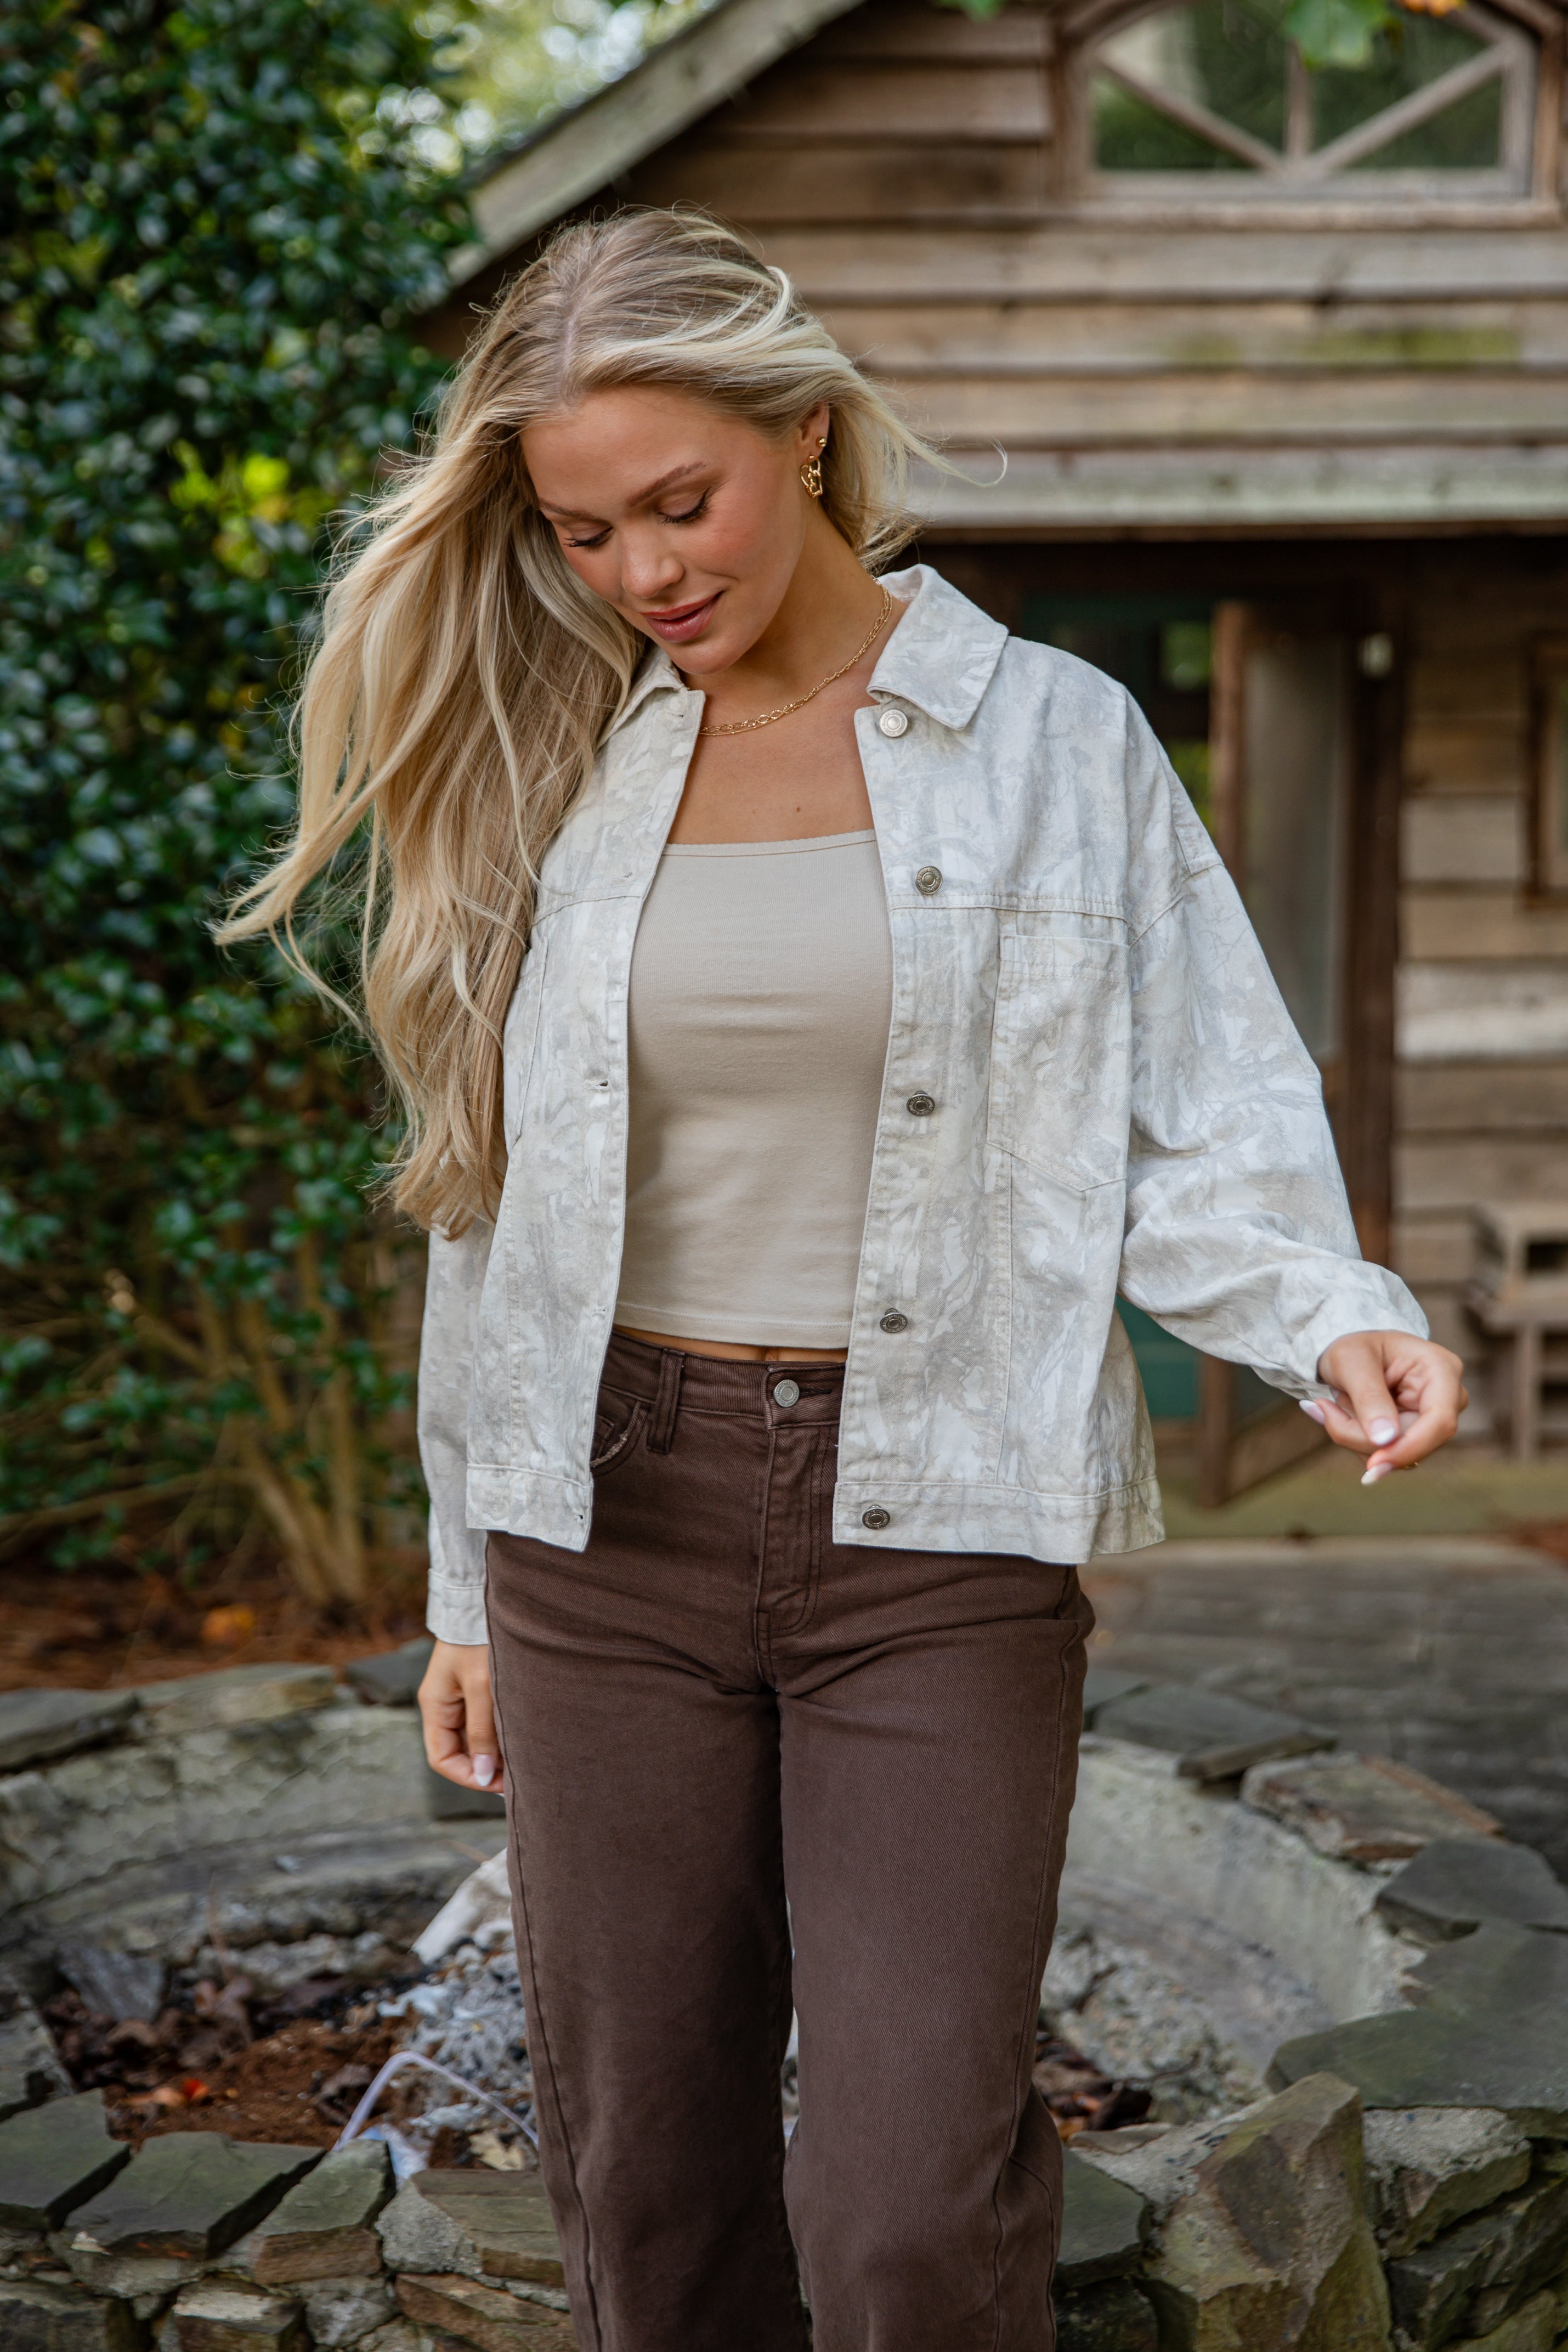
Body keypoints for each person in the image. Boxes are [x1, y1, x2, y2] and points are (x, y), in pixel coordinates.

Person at [225, 208, 1465, 2352]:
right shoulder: (556, 756)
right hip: (602, 1520)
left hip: (937, 1527)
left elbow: (1196, 1114)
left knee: (902, 2197)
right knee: (647, 2171)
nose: (639, 570)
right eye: (584, 530)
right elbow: (488, 1212)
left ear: (799, 431)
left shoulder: (1054, 741)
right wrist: (461, 1583)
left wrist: (1327, 1310)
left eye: (678, 502)